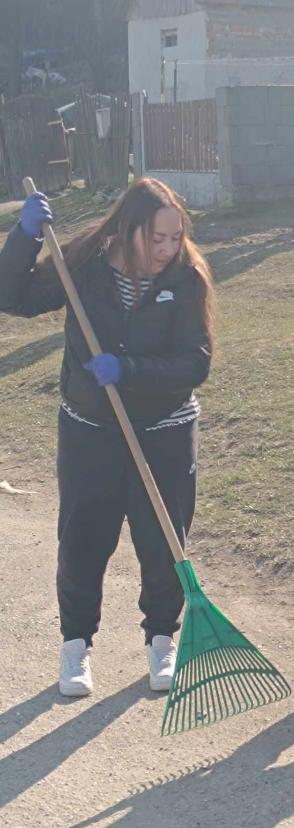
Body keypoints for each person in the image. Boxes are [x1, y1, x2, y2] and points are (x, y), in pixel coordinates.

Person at [0, 178, 214, 697]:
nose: (167, 249)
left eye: (174, 237)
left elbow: (196, 362)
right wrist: (23, 237)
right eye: (156, 238)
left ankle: (161, 639)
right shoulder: (87, 262)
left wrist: (130, 368)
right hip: (90, 431)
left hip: (163, 430)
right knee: (82, 541)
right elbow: (14, 296)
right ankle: (76, 646)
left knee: (163, 543)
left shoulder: (187, 279)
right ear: (128, 228)